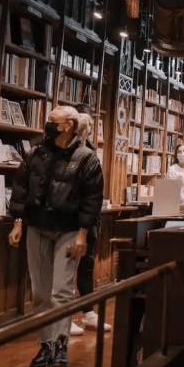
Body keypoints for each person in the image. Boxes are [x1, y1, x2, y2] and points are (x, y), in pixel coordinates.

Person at [9, 105, 103, 367]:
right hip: (37, 227)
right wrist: (17, 223)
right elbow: (20, 189)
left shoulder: (87, 158)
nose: (48, 124)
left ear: (69, 125)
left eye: (54, 121)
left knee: (61, 291)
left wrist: (83, 233)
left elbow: (92, 200)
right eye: (48, 120)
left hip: (70, 229)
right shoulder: (35, 153)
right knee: (40, 292)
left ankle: (61, 345)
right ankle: (45, 345)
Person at [70, 114, 110, 337]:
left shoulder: (91, 151)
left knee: (86, 266)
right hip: (74, 221)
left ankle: (88, 313)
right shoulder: (70, 152)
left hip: (91, 219)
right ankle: (65, 316)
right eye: (89, 126)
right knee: (68, 270)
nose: (91, 130)